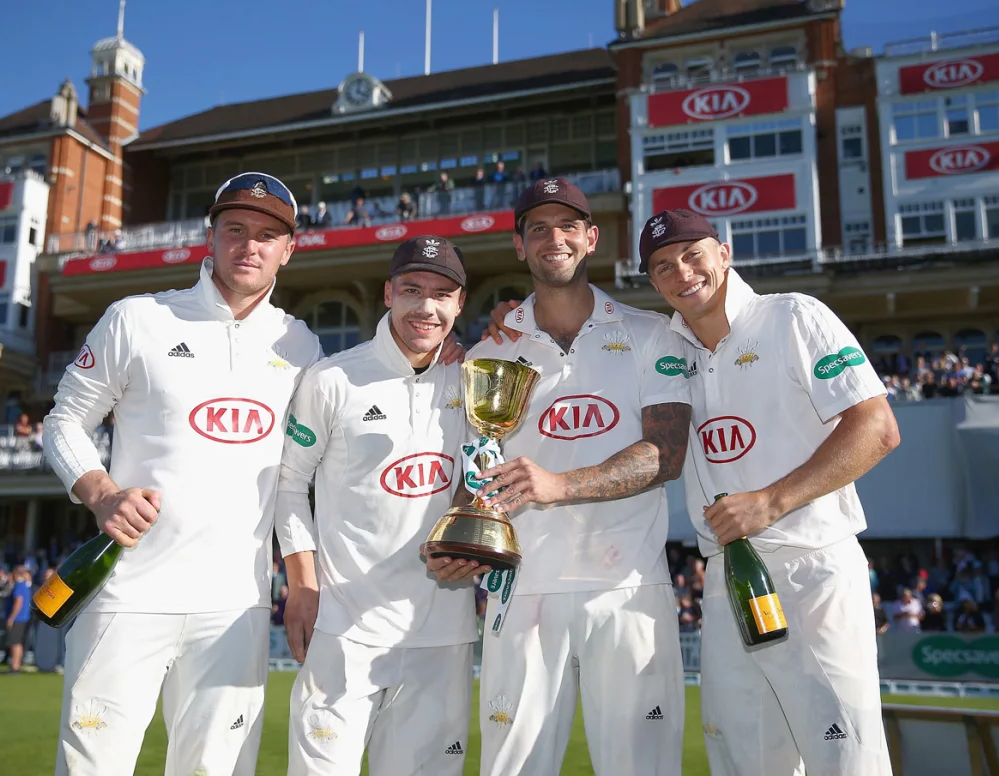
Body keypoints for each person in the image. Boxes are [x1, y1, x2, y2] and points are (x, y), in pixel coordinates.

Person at [41, 171, 323, 776]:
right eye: (236, 230)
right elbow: (63, 421)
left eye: (268, 235)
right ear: (211, 237)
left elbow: (302, 478)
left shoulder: (302, 347)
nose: (250, 246)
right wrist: (102, 492)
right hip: (128, 592)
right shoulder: (137, 318)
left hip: (236, 605)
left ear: (289, 249)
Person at [635, 208, 900, 776]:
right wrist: (515, 318)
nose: (681, 272)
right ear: (653, 283)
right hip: (728, 578)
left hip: (812, 564)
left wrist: (770, 502)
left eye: (691, 254)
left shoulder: (794, 317)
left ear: (723, 254)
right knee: (743, 756)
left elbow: (877, 428)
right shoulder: (663, 346)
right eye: (662, 266)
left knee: (846, 753)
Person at [461, 178, 693, 776]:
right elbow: (477, 465)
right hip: (524, 588)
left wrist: (559, 485)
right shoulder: (492, 350)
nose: (553, 239)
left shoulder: (651, 333)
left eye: (568, 226)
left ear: (591, 239)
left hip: (628, 589)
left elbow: (666, 454)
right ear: (519, 246)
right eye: (537, 228)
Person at [276, 236, 478, 775]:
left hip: (443, 633)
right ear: (388, 293)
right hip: (344, 631)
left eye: (442, 294)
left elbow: (484, 481)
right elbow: (290, 484)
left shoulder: (477, 378)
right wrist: (303, 583)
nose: (426, 308)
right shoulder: (332, 378)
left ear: (460, 305)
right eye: (412, 290)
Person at [4, 564, 32, 673]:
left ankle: (14, 666)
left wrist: (11, 617)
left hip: (18, 619)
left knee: (14, 642)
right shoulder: (25, 585)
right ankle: (16, 665)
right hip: (23, 618)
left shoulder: (19, 586)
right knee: (18, 642)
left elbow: (18, 602)